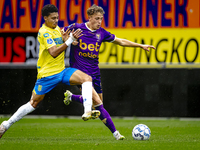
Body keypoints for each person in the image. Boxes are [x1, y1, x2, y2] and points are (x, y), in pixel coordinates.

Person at [0, 4, 101, 139]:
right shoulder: (44, 32)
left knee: (87, 79)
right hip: (47, 75)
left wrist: (67, 40)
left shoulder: (57, 29)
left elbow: (63, 43)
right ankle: (5, 125)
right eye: (53, 18)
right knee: (34, 103)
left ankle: (87, 111)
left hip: (61, 71)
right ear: (45, 18)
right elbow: (53, 52)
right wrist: (69, 41)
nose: (56, 21)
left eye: (57, 18)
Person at [62, 4, 156, 140]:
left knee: (99, 103)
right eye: (97, 18)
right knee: (98, 105)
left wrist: (140, 46)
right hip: (80, 73)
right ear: (89, 18)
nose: (99, 21)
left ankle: (71, 97)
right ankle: (116, 134)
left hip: (95, 72)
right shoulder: (77, 27)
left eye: (101, 19)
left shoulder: (102, 33)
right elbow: (60, 32)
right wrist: (66, 39)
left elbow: (121, 41)